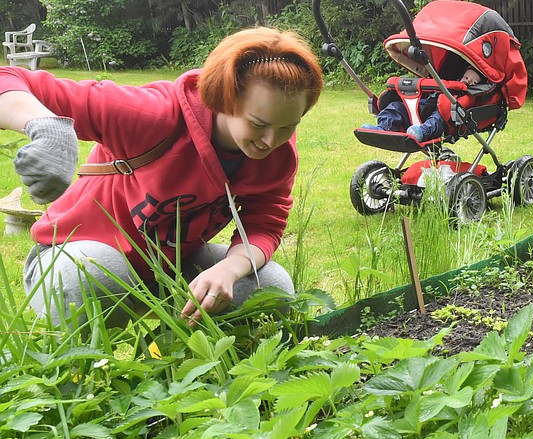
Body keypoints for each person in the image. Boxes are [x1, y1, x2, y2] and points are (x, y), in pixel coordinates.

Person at [0, 26, 324, 325]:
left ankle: (207, 373)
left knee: (271, 288)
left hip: (169, 265)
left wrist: (228, 269)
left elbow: (264, 225)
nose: (271, 140)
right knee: (96, 271)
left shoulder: (276, 152)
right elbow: (9, 77)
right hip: (74, 259)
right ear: (225, 97)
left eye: (287, 126)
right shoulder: (152, 115)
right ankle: (78, 377)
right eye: (258, 123)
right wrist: (48, 130)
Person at [367, 67, 483, 141]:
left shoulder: (468, 96)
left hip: (442, 118)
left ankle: (422, 132)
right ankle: (383, 127)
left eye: (473, 82)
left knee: (437, 119)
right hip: (417, 111)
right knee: (396, 107)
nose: (467, 81)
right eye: (466, 77)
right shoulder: (445, 83)